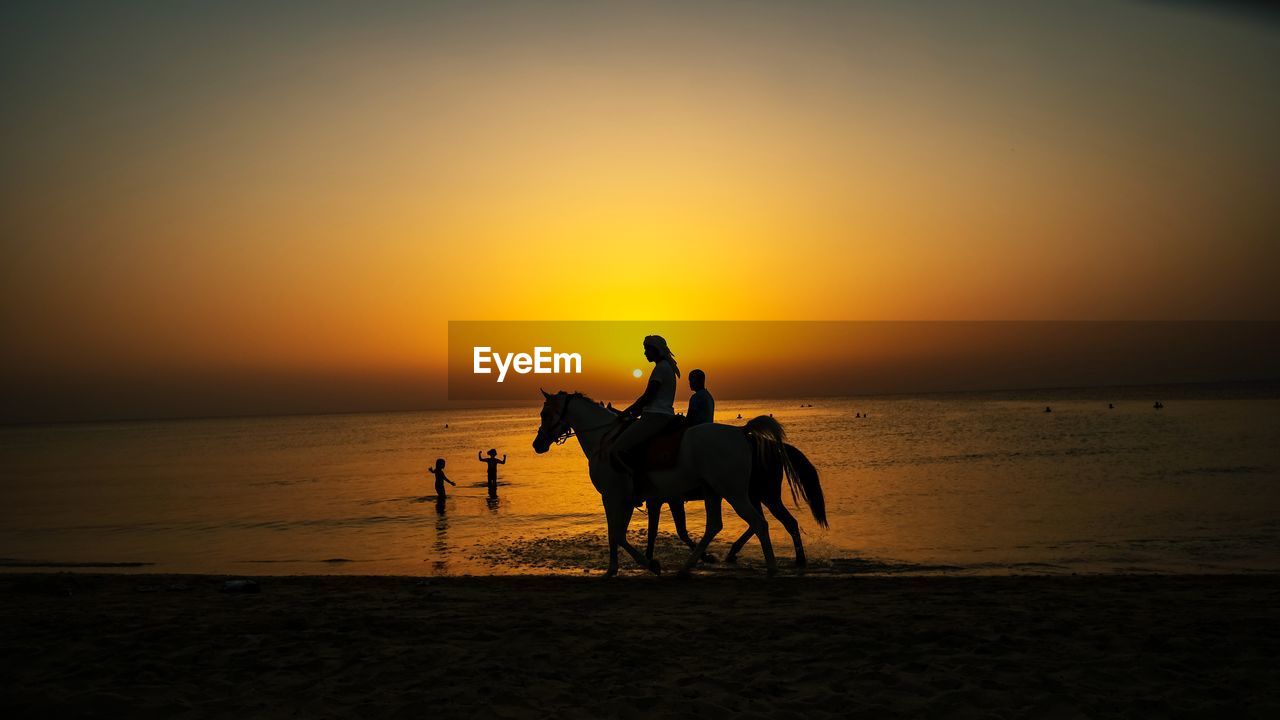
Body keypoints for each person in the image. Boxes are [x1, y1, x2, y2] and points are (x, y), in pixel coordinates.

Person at [611, 335, 681, 492]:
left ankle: (636, 485)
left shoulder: (660, 369)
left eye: (646, 349)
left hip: (655, 416)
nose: (644, 353)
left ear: (655, 350)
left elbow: (648, 397)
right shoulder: (665, 367)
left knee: (618, 448)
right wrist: (631, 412)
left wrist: (626, 413)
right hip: (661, 415)